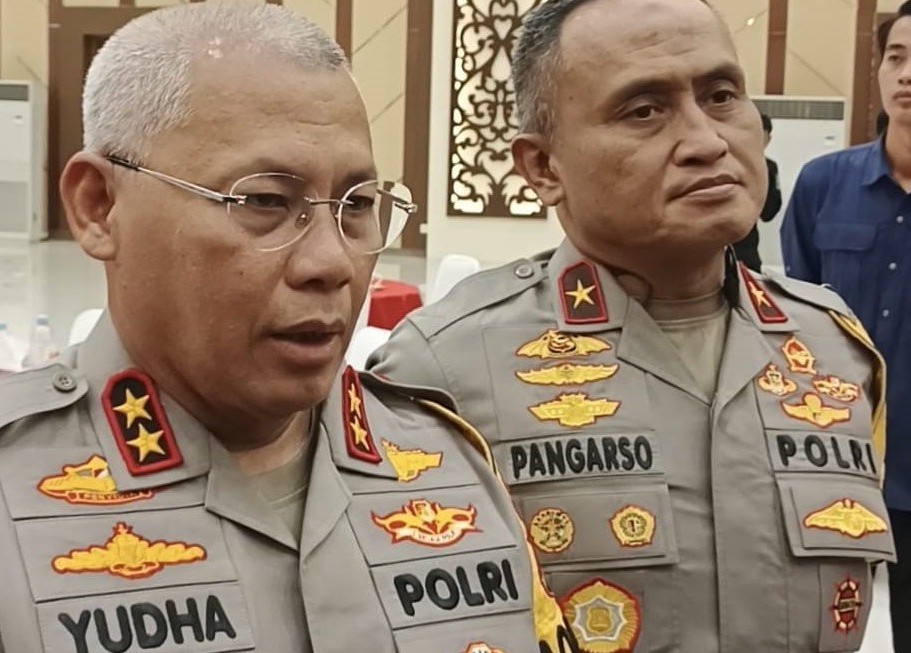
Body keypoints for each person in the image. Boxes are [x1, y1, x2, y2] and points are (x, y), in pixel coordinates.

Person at [0, 5, 579, 652]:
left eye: (356, 205)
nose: (331, 262)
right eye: (263, 201)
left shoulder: (451, 467)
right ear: (99, 207)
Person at [371, 0, 893, 651]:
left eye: (721, 96)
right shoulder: (443, 369)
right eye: (644, 110)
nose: (707, 142)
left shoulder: (834, 349)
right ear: (543, 167)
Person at [782, 1, 911, 648]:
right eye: (897, 57)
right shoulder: (821, 184)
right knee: (816, 631)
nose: (907, 74)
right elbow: (792, 323)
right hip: (833, 461)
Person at [732, 113, 782, 271]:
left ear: (768, 139)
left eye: (761, 135)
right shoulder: (724, 162)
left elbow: (769, 213)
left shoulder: (769, 167)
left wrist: (761, 173)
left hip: (748, 249)